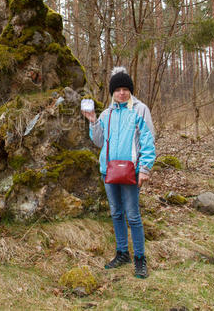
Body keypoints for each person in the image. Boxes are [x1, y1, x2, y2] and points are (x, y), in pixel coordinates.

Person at [82, 66, 156, 279]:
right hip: (109, 172)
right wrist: (93, 121)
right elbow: (98, 141)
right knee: (116, 213)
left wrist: (145, 169)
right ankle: (122, 253)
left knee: (133, 216)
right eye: (117, 89)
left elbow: (148, 141)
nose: (121, 93)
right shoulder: (107, 113)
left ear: (130, 91)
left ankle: (140, 259)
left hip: (131, 172)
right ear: (112, 92)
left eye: (125, 89)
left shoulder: (141, 110)